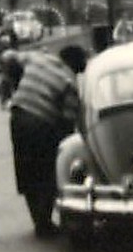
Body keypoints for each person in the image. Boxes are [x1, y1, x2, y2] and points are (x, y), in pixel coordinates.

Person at [7, 44, 88, 238]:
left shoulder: (38, 59)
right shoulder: (70, 83)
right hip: (41, 123)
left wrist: (16, 84)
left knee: (25, 170)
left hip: (18, 115)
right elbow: (67, 125)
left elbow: (9, 57)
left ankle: (37, 220)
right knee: (47, 171)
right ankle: (44, 223)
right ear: (75, 64)